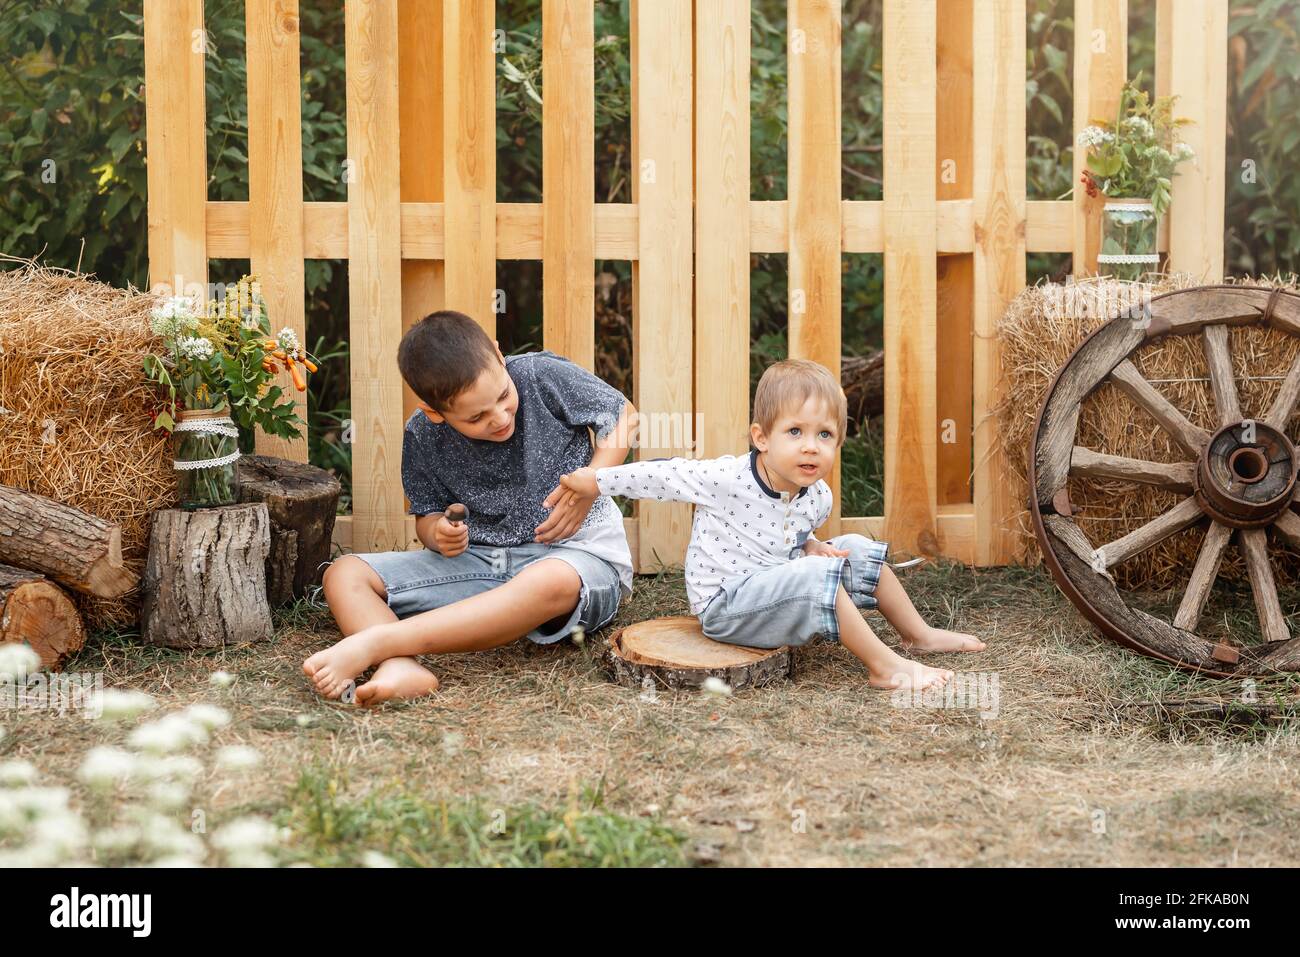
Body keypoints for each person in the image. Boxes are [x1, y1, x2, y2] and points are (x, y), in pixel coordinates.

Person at [557, 358, 986, 690]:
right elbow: (662, 476)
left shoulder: (817, 496)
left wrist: (809, 544)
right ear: (762, 438)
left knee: (852, 546)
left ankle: (918, 635)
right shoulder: (727, 479)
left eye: (824, 436)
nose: (810, 447)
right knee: (817, 575)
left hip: (775, 584)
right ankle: (885, 668)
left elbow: (789, 533)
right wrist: (596, 480)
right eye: (795, 431)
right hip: (725, 606)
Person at [303, 310, 634, 705]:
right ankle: (401, 666)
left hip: (579, 559)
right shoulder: (423, 435)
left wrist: (591, 483)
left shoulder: (541, 375)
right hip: (483, 565)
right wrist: (438, 533)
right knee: (344, 573)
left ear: (498, 355)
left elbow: (623, 416)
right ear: (435, 412)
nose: (498, 417)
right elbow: (426, 519)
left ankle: (378, 643)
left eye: (503, 397)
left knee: (550, 582)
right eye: (476, 417)